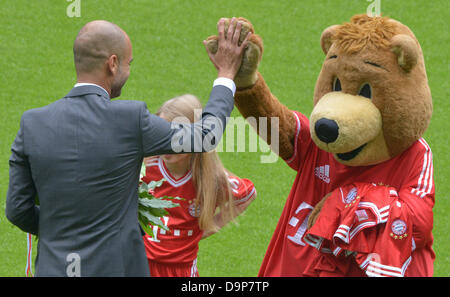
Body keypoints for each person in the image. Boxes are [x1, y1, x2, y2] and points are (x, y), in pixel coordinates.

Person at [5, 18, 251, 276]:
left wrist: (59, 232)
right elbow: (205, 137)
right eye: (128, 64)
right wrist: (226, 75)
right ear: (112, 64)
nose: (128, 71)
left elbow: (17, 210)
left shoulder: (31, 123)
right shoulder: (130, 119)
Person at [141, 94, 256, 277]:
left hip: (182, 271)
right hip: (139, 265)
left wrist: (208, 226)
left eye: (178, 135)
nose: (168, 143)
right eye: (163, 133)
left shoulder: (210, 178)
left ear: (196, 137)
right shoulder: (145, 165)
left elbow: (247, 195)